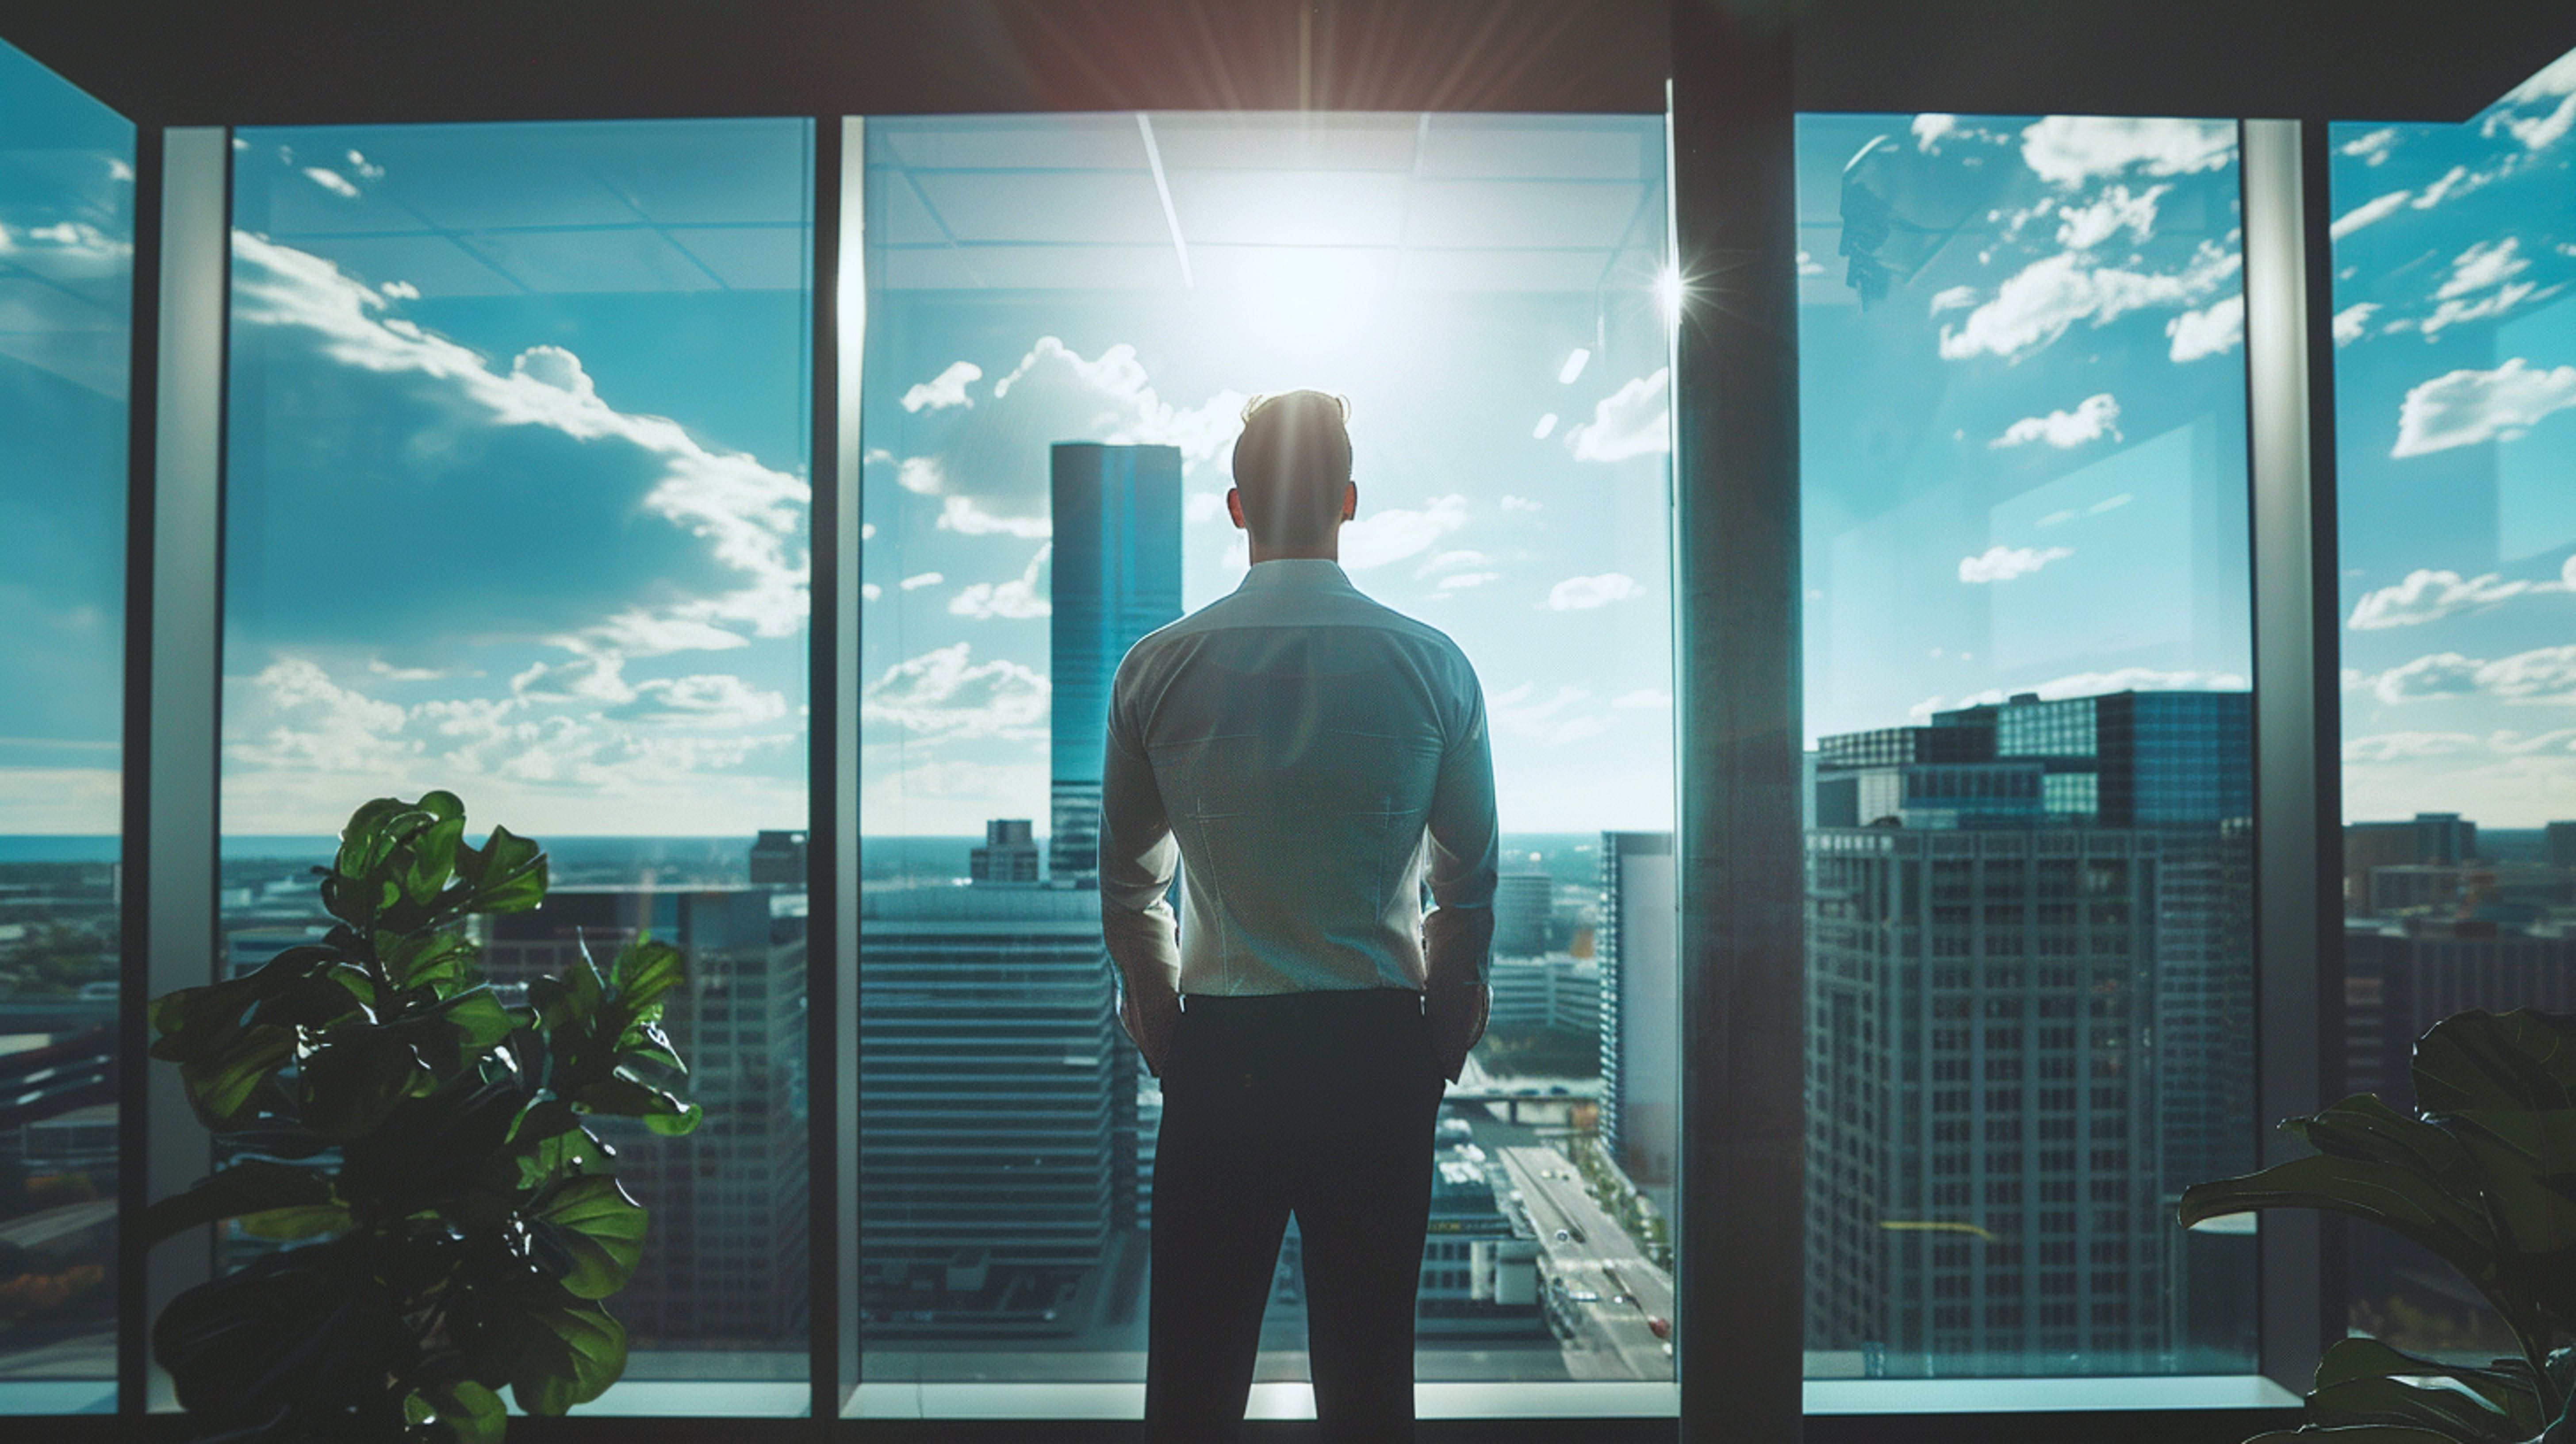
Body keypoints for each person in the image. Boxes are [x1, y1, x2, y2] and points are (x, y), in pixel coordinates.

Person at [1098, 389, 1499, 1444]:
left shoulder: (1155, 666)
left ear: (1235, 508)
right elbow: (1468, 885)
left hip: (1222, 1049)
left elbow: (1129, 886)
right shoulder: (1434, 662)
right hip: (1375, 1050)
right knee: (1370, 1379)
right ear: (1349, 501)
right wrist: (1440, 1039)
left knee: (1193, 1375)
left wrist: (1164, 1033)